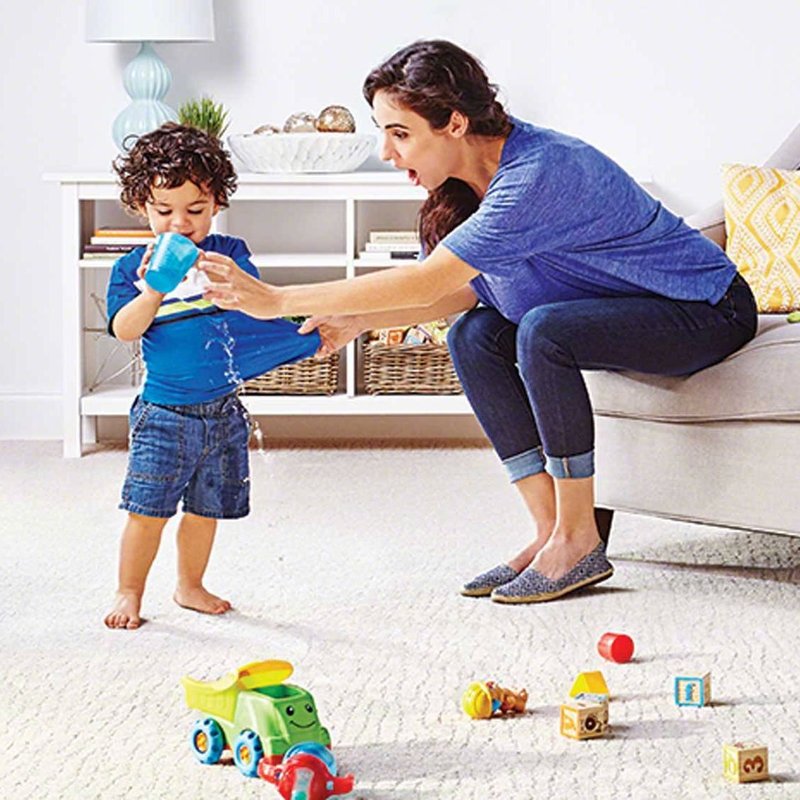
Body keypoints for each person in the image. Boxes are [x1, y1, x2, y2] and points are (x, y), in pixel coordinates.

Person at [199, 41, 758, 604]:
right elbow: (460, 295)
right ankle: (549, 533)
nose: (388, 153)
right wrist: (355, 320)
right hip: (624, 312)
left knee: (544, 331)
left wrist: (274, 298)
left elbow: (428, 281)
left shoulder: (540, 172)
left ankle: (578, 537)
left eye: (399, 132)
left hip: (705, 308)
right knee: (477, 335)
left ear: (455, 123)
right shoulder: (468, 190)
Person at [104, 123, 320, 629]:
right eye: (164, 212)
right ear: (141, 207)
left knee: (205, 510)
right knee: (148, 509)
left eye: (196, 211)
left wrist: (229, 280)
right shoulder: (133, 269)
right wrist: (155, 289)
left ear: (217, 202)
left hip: (223, 411)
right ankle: (129, 591)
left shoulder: (230, 252)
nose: (181, 224)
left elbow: (258, 311)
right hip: (164, 414)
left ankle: (189, 585)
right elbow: (124, 330)